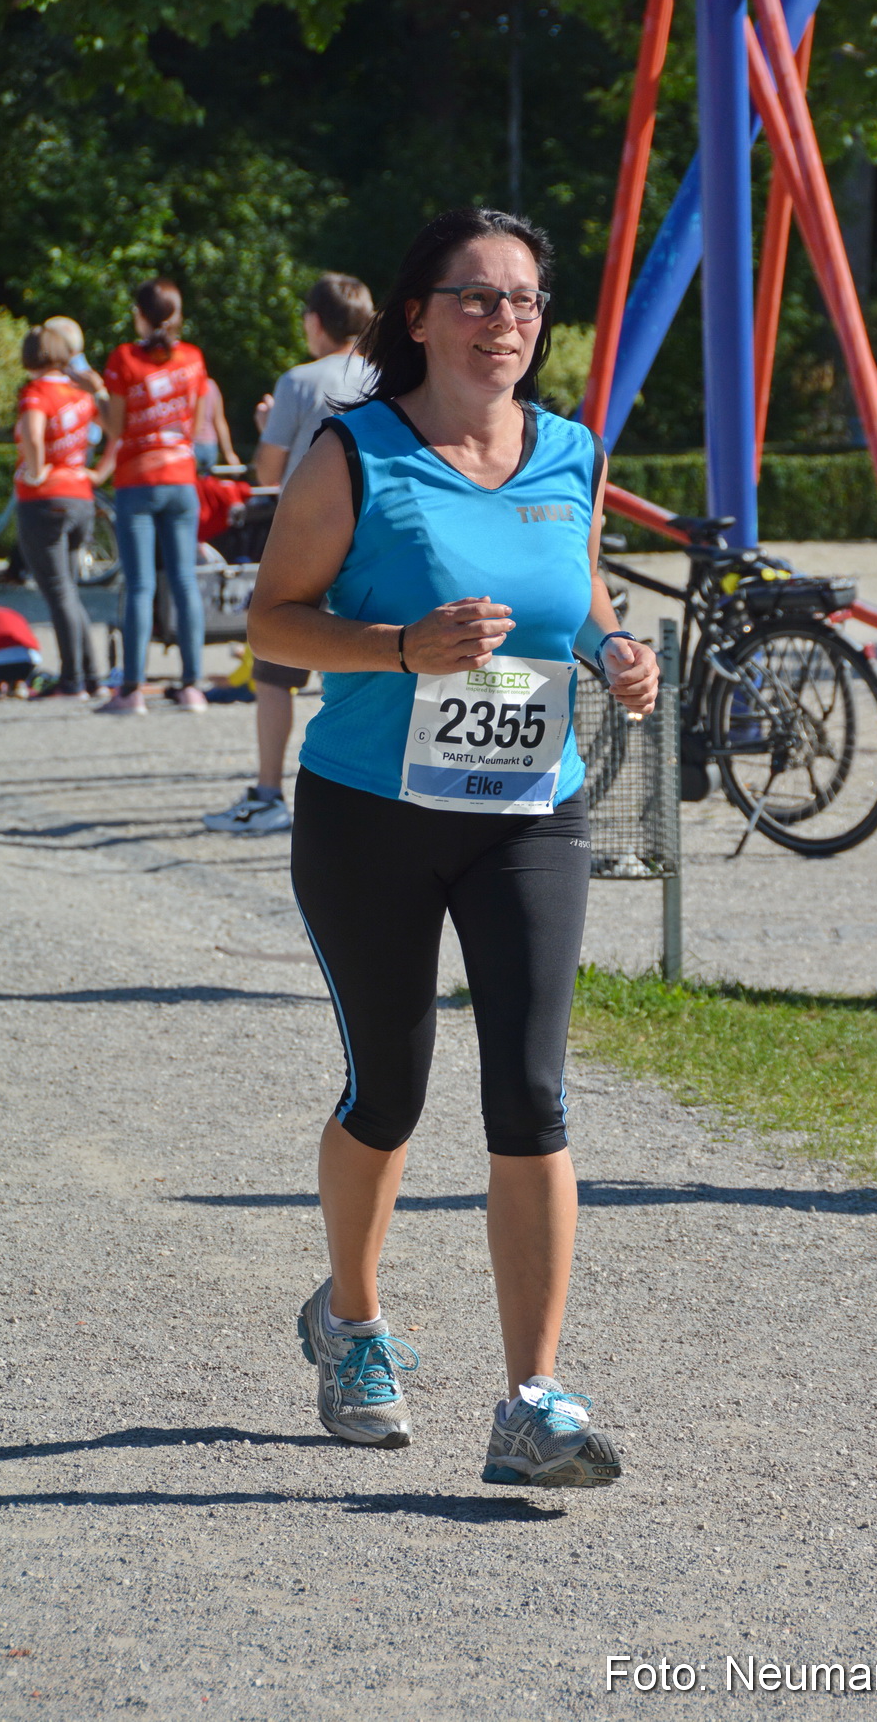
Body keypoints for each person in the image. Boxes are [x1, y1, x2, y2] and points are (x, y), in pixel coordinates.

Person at [248, 207, 658, 1484]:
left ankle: (533, 1399)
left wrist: (611, 647)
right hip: (371, 812)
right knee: (391, 1089)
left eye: (524, 300)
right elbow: (273, 622)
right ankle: (351, 1320)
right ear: (417, 316)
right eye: (476, 298)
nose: (504, 321)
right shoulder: (355, 451)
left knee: (531, 1092)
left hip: (529, 810)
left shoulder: (571, 451)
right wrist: (398, 649)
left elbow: (574, 588)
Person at [204, 273, 375, 835]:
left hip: (309, 540)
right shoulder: (390, 374)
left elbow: (268, 472)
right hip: (376, 539)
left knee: (276, 671)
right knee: (371, 663)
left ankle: (269, 793)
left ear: (315, 322)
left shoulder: (300, 381)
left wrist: (265, 424)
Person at [80, 278, 209, 714]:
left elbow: (116, 428)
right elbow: (193, 426)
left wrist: (96, 392)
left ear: (139, 315)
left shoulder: (123, 358)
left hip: (137, 481)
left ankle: (131, 691)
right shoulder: (193, 358)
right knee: (185, 581)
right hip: (182, 479)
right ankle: (192, 687)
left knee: (139, 585)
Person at [11, 324, 106, 699]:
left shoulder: (35, 392)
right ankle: (91, 676)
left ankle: (72, 680)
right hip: (80, 498)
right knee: (69, 591)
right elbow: (117, 429)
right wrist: (102, 471)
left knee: (57, 592)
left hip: (44, 501)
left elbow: (33, 435)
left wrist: (35, 472)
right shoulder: (79, 393)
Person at [193, 376, 237, 475]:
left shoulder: (185, 384)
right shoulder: (211, 385)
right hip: (210, 444)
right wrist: (229, 453)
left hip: (191, 443)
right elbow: (219, 421)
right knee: (208, 483)